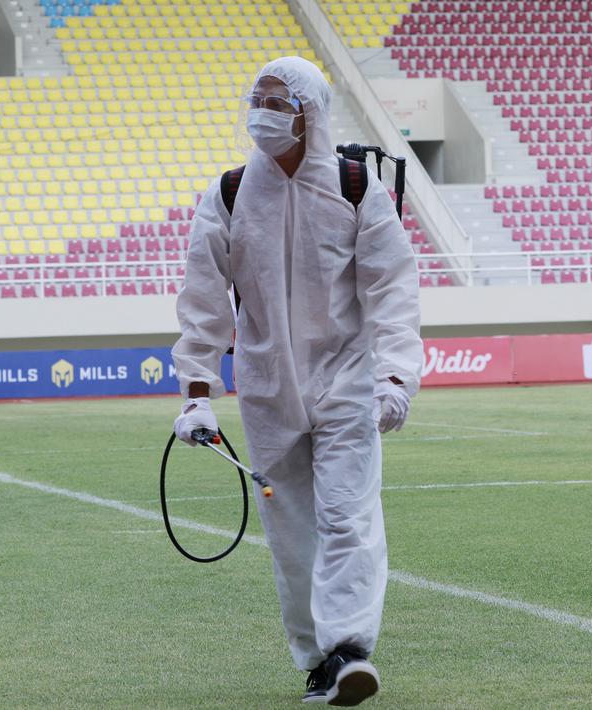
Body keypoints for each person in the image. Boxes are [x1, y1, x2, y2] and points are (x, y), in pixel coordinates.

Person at [171, 56, 422, 706]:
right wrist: (196, 395)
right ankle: (318, 660)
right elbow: (202, 302)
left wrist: (395, 374)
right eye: (256, 97)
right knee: (290, 532)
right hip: (266, 392)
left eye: (276, 100)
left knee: (346, 517)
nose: (262, 110)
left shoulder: (353, 186)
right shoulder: (227, 195)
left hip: (347, 382)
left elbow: (392, 287)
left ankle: (347, 652)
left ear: (309, 111)